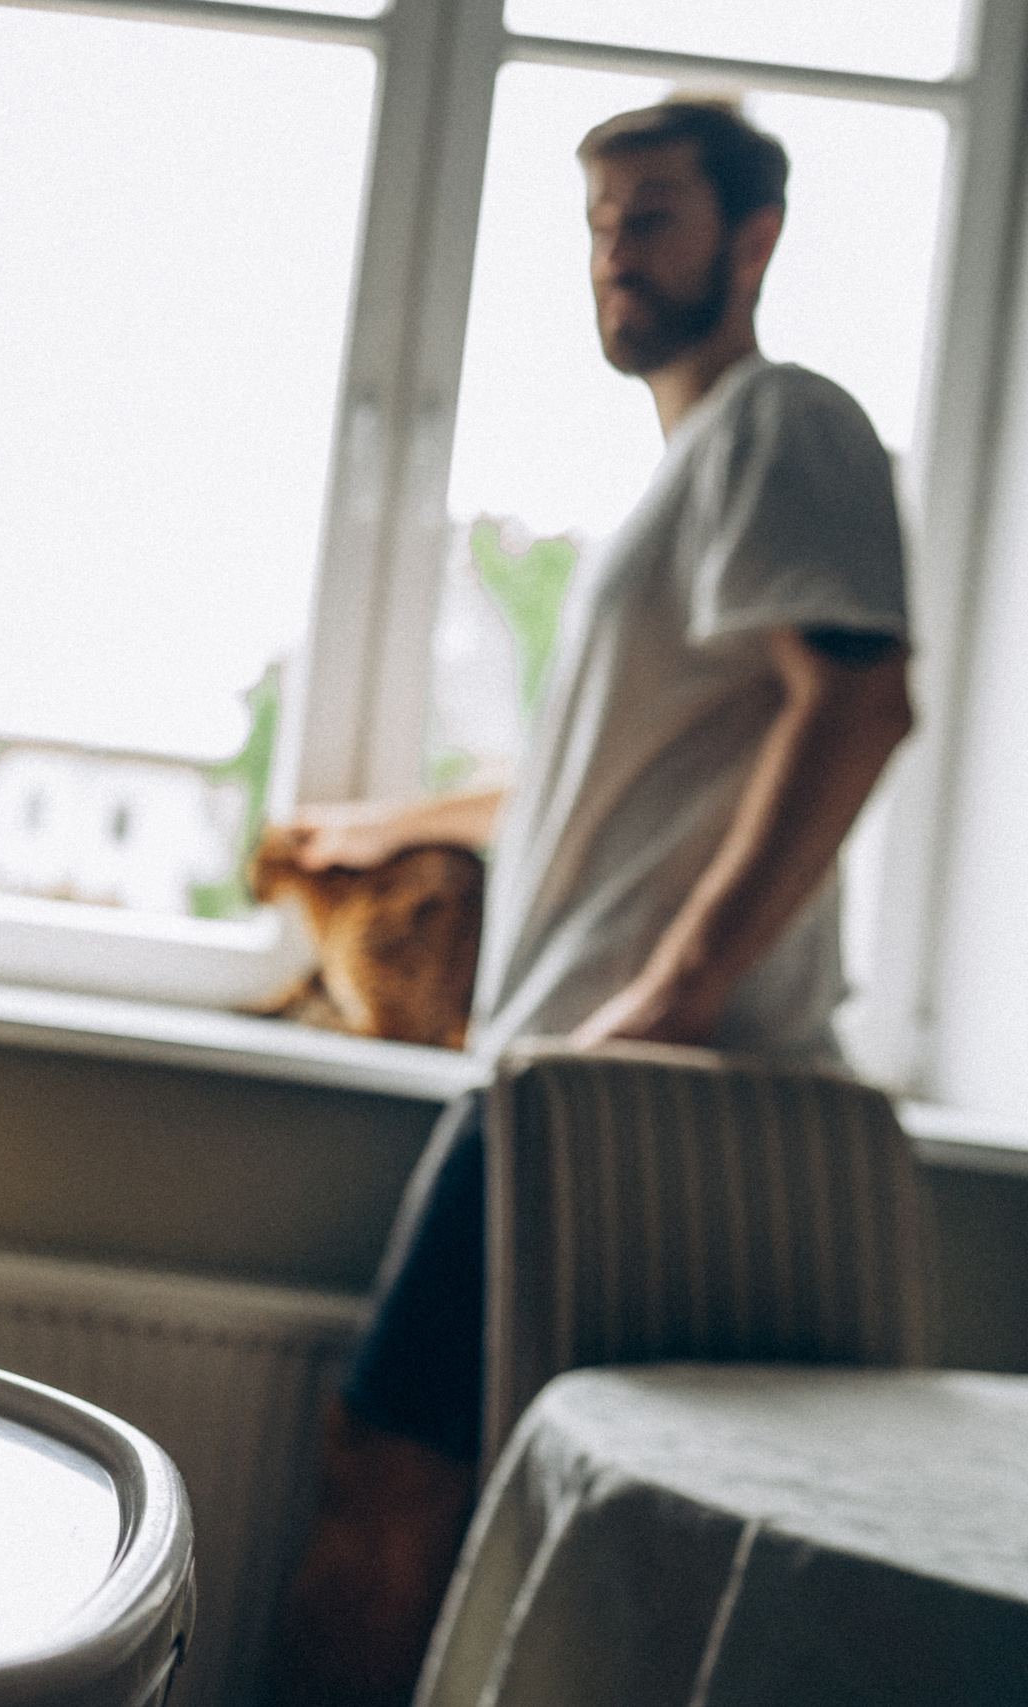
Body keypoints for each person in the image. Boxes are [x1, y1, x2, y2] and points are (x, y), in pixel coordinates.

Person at [263, 100, 915, 1706]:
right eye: (602, 226)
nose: (616, 257)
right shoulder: (685, 481)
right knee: (508, 1513)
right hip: (582, 1079)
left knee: (390, 1474)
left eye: (656, 221)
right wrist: (376, 823)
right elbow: (593, 784)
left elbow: (856, 704)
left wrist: (669, 998)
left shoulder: (782, 423)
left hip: (618, 1082)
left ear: (753, 242)